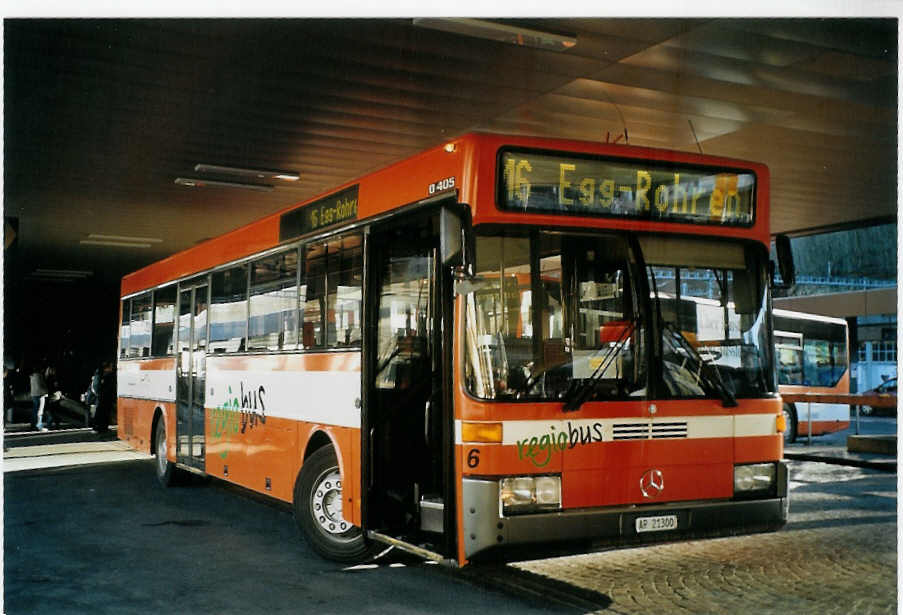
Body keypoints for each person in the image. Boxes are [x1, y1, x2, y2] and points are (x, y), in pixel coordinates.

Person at [92, 362, 115, 434]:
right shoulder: (101, 375)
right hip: (103, 398)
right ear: (106, 368)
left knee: (104, 413)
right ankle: (98, 428)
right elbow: (97, 387)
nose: (112, 368)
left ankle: (103, 428)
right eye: (110, 367)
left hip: (105, 398)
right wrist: (100, 394)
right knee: (101, 412)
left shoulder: (106, 375)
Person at [30, 366, 50, 431]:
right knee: (40, 410)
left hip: (33, 394)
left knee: (35, 410)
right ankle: (39, 426)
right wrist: (46, 391)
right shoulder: (39, 376)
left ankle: (33, 425)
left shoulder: (31, 375)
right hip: (40, 395)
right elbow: (41, 386)